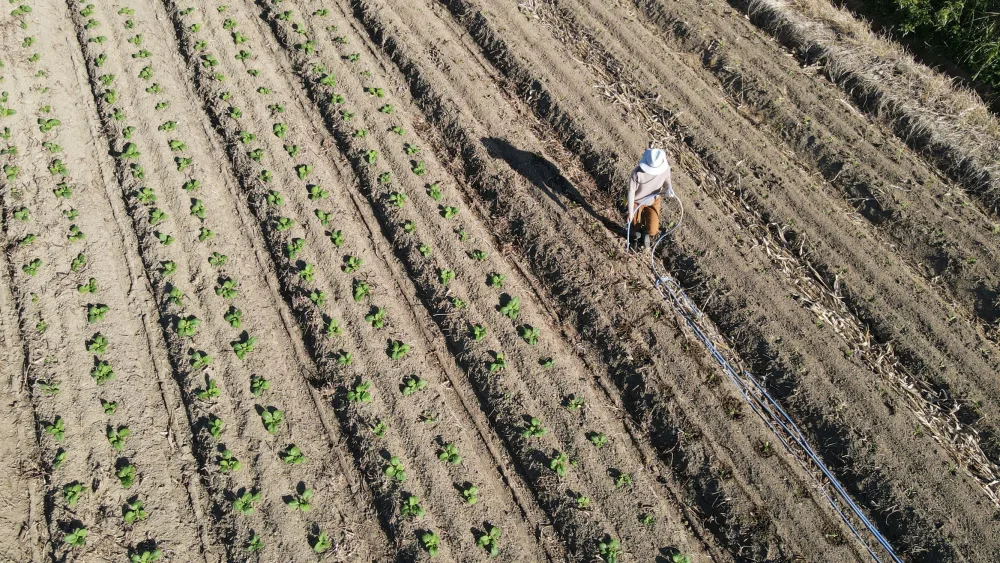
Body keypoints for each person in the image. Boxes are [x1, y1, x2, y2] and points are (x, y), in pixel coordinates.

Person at [627, 148, 674, 249]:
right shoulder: (637, 173)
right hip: (637, 200)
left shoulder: (665, 169)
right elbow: (631, 191)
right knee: (634, 226)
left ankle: (645, 234)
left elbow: (667, 179)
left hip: (653, 200)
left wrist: (669, 187)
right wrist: (630, 211)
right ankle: (635, 237)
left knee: (653, 229)